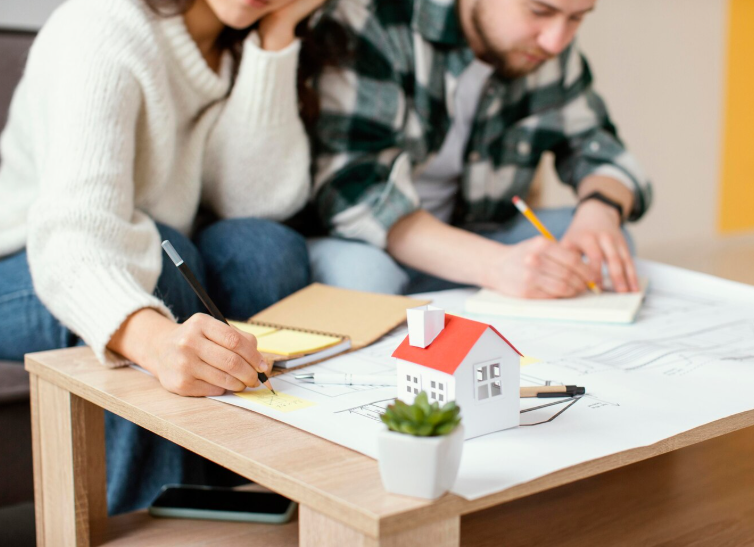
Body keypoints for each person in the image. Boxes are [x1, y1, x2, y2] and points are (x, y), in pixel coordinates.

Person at [0, 0, 323, 513]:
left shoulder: (236, 44)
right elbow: (70, 238)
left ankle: (249, 505)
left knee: (267, 249)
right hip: (24, 262)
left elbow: (254, 200)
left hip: (140, 243)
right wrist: (157, 343)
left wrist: (276, 33)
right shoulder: (103, 24)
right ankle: (154, 518)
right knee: (160, 263)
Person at [307, 0, 652, 297]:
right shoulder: (374, 18)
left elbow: (599, 147)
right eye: (539, 10)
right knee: (365, 280)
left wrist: (600, 211)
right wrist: (495, 266)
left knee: (605, 246)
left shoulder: (548, 51)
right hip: (368, 243)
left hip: (475, 234)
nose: (555, 41)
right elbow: (355, 195)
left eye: (577, 17)